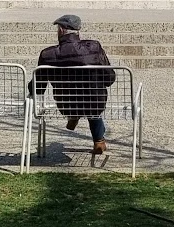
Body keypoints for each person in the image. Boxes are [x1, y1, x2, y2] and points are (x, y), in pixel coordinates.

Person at [30, 14, 116, 156]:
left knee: (79, 100)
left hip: (66, 104)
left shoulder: (47, 54)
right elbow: (110, 78)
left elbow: (38, 88)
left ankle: (74, 116)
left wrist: (30, 89)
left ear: (62, 31)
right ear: (78, 31)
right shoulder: (94, 47)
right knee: (92, 104)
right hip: (96, 102)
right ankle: (99, 141)